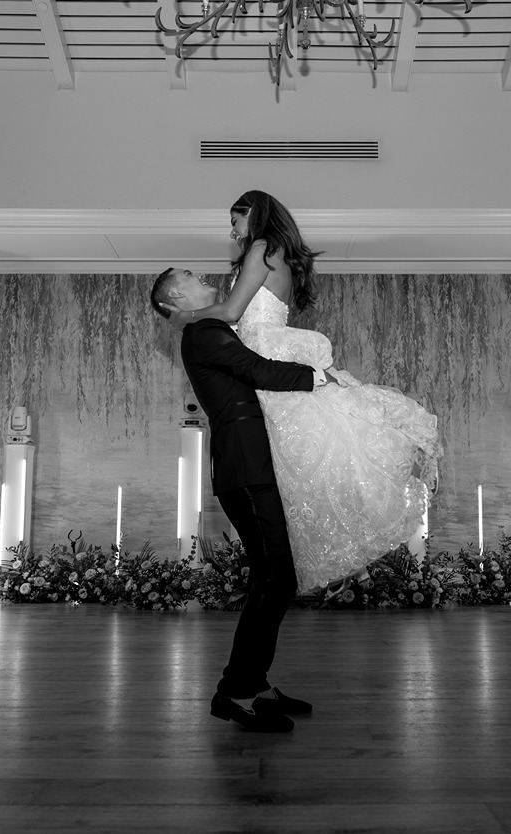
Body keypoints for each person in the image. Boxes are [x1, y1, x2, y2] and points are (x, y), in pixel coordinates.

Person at [160, 190, 441, 590]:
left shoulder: (261, 246)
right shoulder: (273, 252)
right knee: (306, 458)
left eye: (235, 219)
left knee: (307, 454)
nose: (232, 229)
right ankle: (343, 546)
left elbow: (232, 313)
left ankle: (337, 547)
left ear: (253, 214)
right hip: (262, 347)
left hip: (264, 349)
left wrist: (183, 318)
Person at [151, 267, 327, 733]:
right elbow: (256, 371)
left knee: (274, 577)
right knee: (275, 577)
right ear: (176, 300)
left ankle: (254, 682)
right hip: (245, 472)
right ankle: (235, 691)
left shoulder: (211, 328)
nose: (199, 272)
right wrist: (319, 378)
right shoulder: (201, 330)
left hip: (249, 470)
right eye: (187, 275)